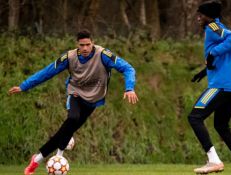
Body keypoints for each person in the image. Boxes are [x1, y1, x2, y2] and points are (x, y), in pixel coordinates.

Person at [9, 30, 139, 175]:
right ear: (77, 44)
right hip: (75, 93)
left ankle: (37, 159)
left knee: (65, 131)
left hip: (93, 100)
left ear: (92, 43)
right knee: (72, 118)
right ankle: (58, 157)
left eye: (87, 45)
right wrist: (24, 86)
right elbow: (47, 72)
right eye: (81, 45)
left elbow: (128, 68)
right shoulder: (69, 57)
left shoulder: (103, 55)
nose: (84, 48)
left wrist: (129, 88)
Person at [188, 1, 231, 174]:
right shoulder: (218, 28)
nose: (198, 18)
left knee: (195, 117)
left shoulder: (213, 26)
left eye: (201, 15)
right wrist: (204, 72)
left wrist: (212, 53)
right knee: (221, 126)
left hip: (221, 86)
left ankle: (214, 160)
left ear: (209, 15)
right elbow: (222, 56)